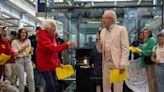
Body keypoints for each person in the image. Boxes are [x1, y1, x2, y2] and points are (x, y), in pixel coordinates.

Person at [36, 19, 77, 92]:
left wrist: (58, 63)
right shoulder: (43, 36)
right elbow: (53, 49)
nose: (55, 29)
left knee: (54, 84)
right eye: (53, 27)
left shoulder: (52, 36)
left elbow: (54, 53)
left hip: (51, 64)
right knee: (50, 85)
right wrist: (67, 44)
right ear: (47, 28)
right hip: (44, 65)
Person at [96, 10, 129, 92]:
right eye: (103, 18)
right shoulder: (102, 31)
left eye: (105, 18)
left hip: (118, 64)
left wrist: (123, 64)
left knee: (118, 87)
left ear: (111, 19)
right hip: (106, 64)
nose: (103, 20)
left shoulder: (121, 30)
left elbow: (125, 48)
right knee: (106, 87)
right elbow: (100, 50)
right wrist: (97, 41)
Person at [11, 28, 34, 92]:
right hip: (19, 60)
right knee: (21, 79)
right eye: (22, 32)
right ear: (19, 33)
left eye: (25, 33)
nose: (24, 34)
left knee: (31, 78)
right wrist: (23, 48)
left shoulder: (28, 41)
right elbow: (15, 53)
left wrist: (31, 51)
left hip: (27, 59)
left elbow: (29, 52)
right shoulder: (14, 42)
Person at [28, 27, 45, 92]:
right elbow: (29, 50)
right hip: (34, 61)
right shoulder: (31, 39)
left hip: (42, 61)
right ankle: (33, 89)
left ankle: (41, 90)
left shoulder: (44, 40)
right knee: (34, 76)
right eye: (37, 31)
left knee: (42, 77)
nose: (38, 33)